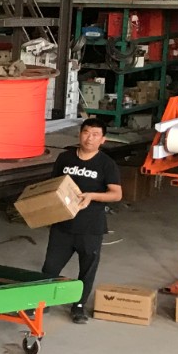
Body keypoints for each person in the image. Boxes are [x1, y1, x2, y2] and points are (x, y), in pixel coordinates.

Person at [42, 117, 123, 323]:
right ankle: (43, 301)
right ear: (80, 134)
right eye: (86, 132)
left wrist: (92, 196)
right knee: (50, 267)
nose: (89, 138)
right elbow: (54, 184)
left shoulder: (106, 164)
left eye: (95, 135)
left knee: (87, 269)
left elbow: (116, 194)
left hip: (90, 227)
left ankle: (78, 306)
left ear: (103, 140)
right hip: (62, 224)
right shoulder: (65, 158)